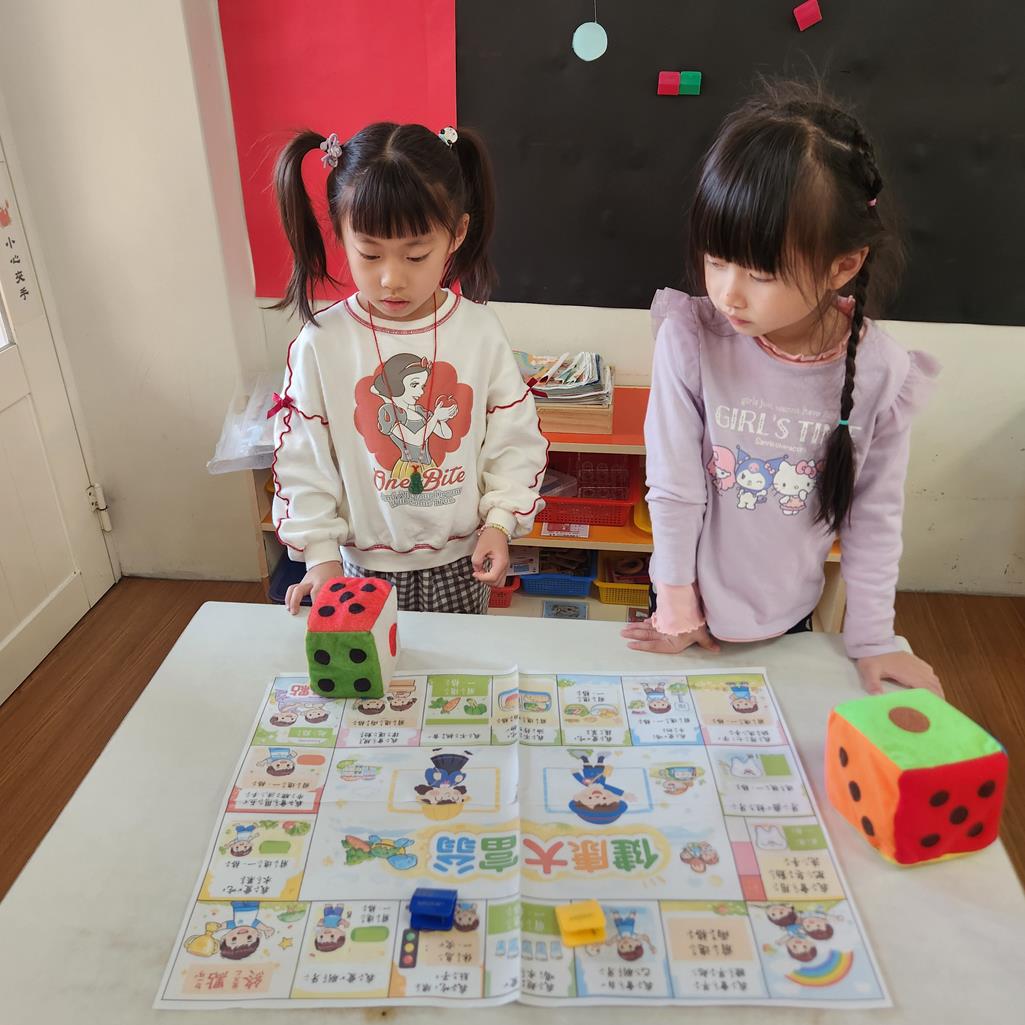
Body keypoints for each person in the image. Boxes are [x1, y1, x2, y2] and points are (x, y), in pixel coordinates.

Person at [623, 81, 942, 696]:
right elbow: (674, 486)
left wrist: (873, 640)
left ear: (842, 266)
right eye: (716, 260)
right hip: (683, 601)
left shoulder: (881, 372)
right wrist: (677, 603)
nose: (729, 293)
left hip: (788, 615)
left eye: (761, 273)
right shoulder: (691, 339)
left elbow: (874, 517)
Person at [270, 122, 547, 614]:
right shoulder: (322, 343)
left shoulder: (479, 331)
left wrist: (500, 522)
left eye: (416, 255)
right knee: (375, 662)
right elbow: (304, 459)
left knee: (459, 665)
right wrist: (319, 556)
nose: (391, 278)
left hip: (461, 561)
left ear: (457, 234)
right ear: (340, 233)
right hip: (361, 565)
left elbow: (513, 437)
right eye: (369, 253)